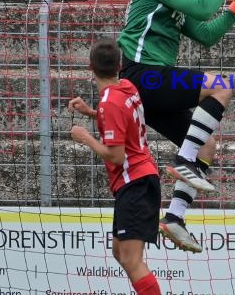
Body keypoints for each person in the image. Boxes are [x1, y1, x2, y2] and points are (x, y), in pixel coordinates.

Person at [117, 0, 235, 252]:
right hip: (142, 74)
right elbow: (203, 6)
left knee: (207, 145)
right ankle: (183, 160)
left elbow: (207, 33)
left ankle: (174, 218)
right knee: (220, 85)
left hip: (150, 84)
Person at [69, 38, 161, 295]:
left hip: (135, 182)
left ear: (90, 66)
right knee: (119, 251)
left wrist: (86, 138)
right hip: (139, 180)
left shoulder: (110, 103)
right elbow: (122, 119)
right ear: (120, 66)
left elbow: (116, 156)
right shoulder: (127, 87)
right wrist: (91, 112)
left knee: (132, 260)